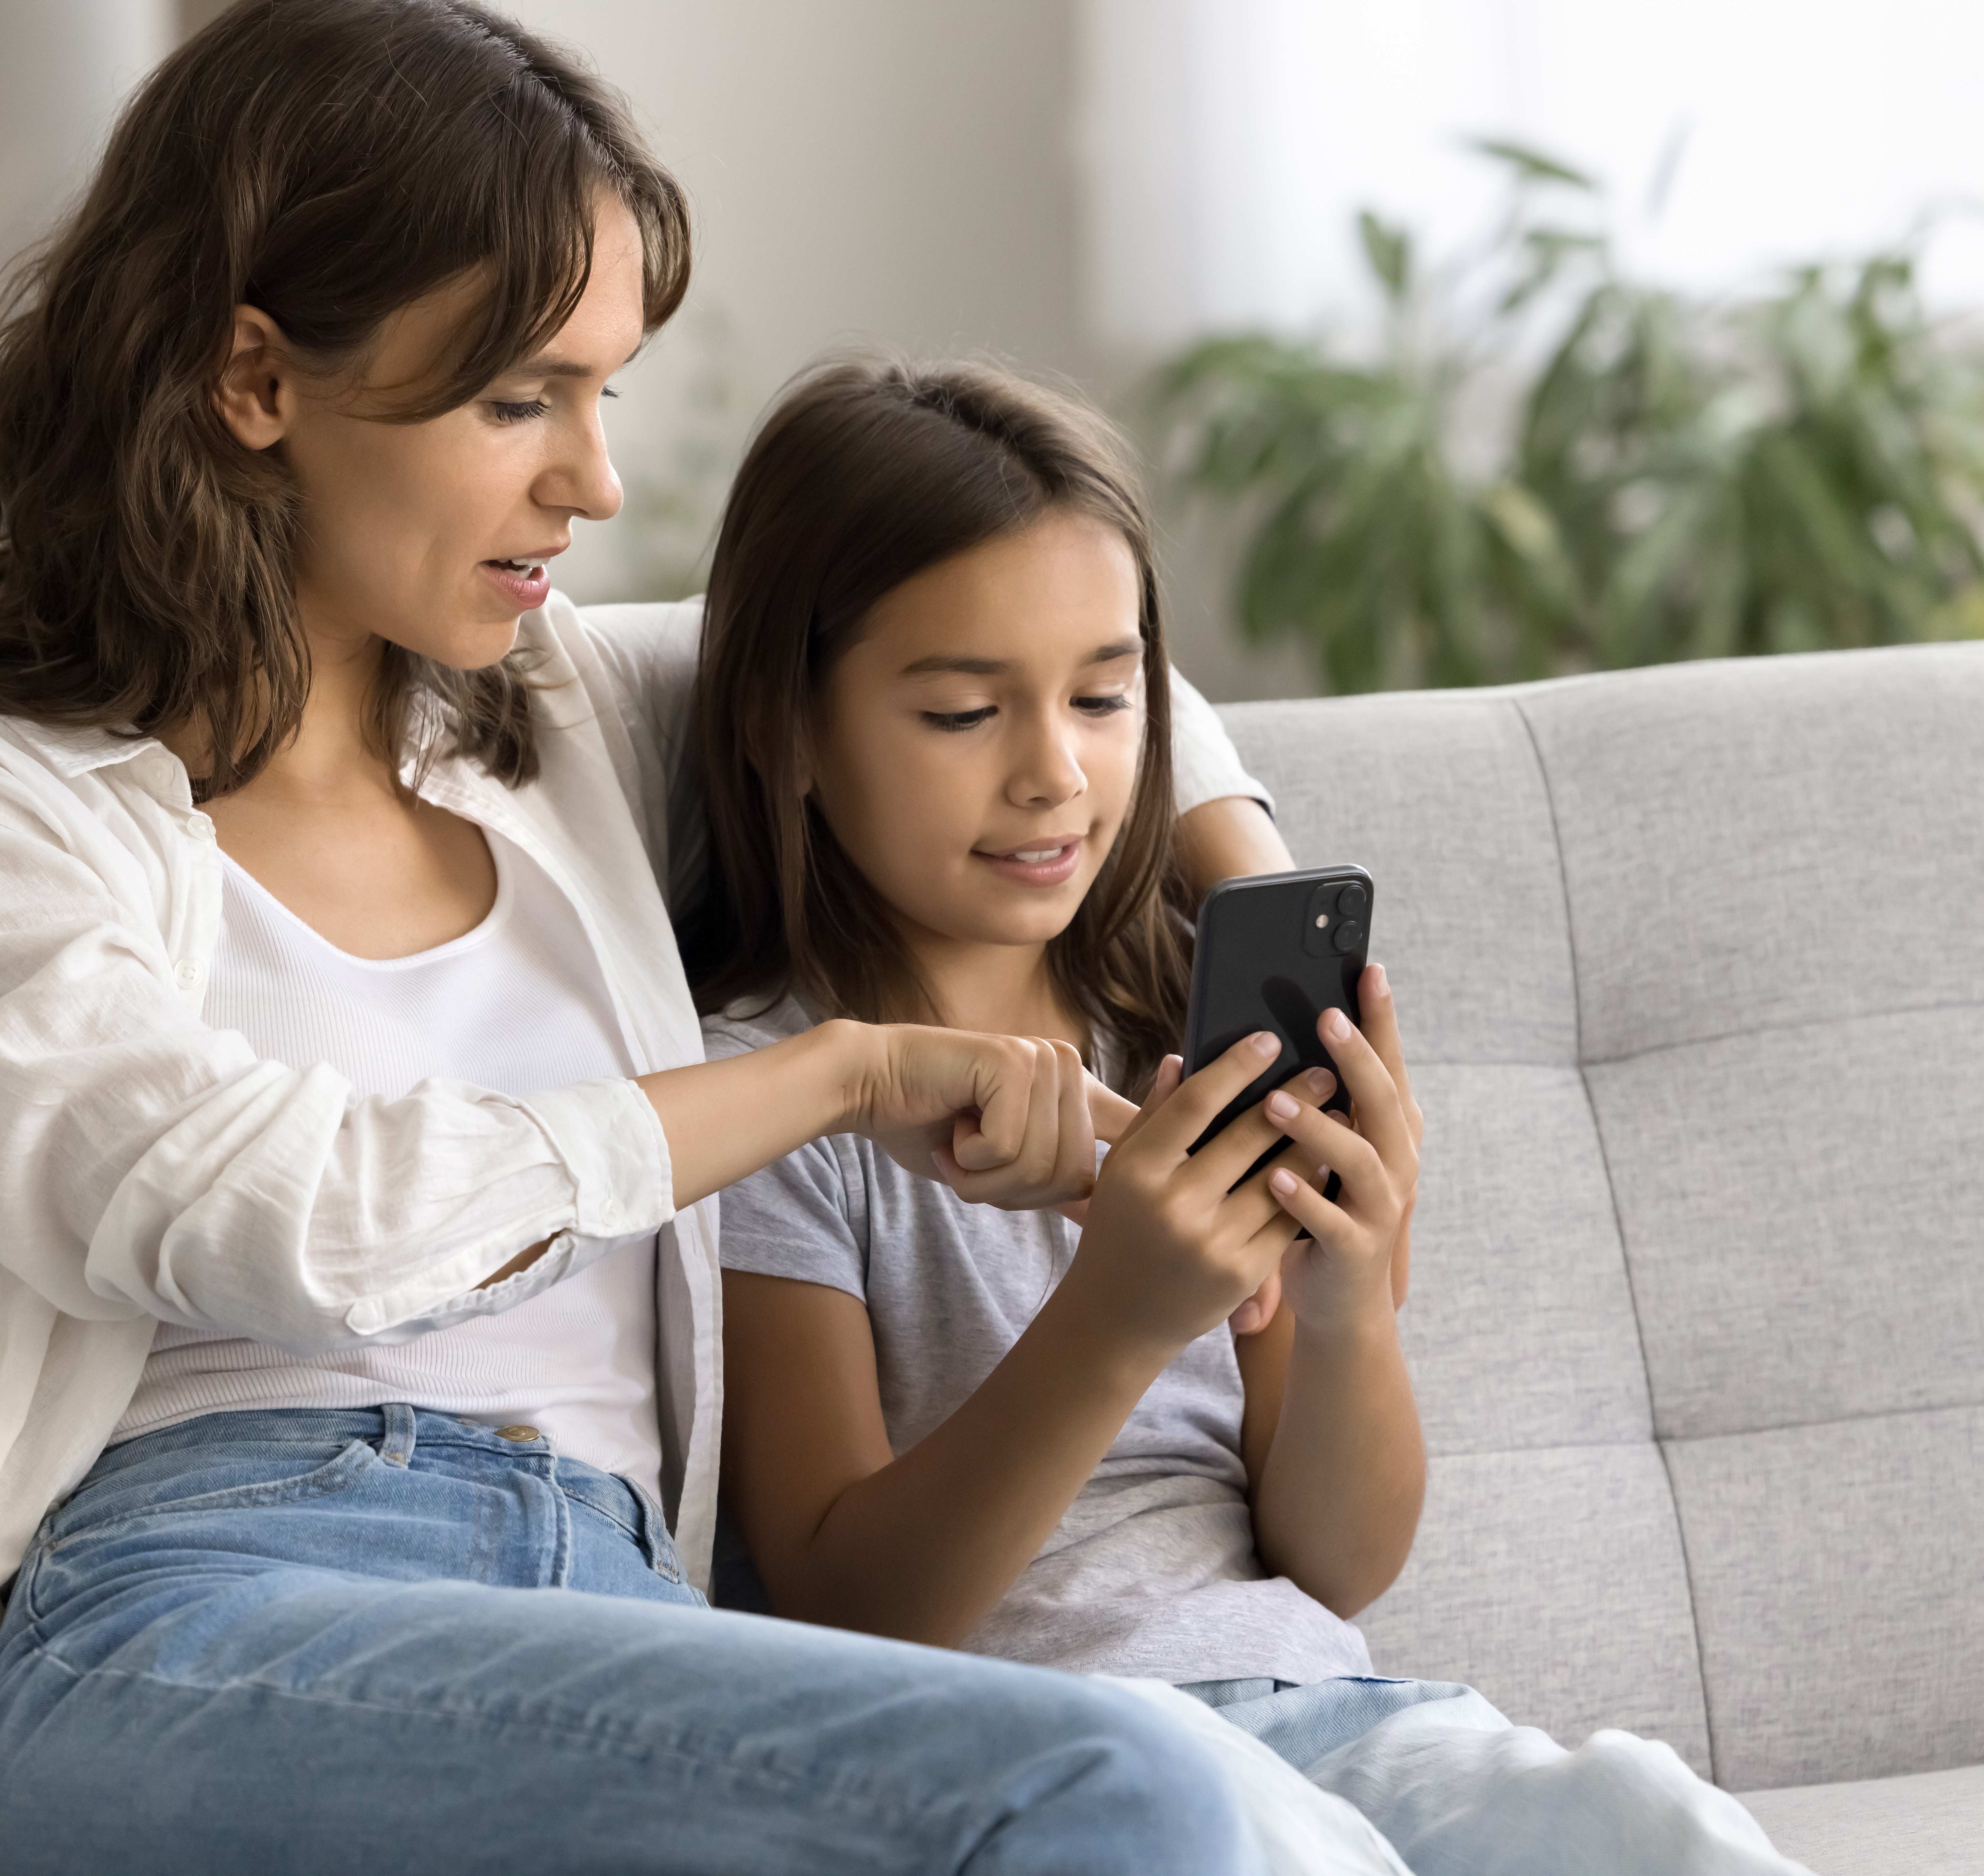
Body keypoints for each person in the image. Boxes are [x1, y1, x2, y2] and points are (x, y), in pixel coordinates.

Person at [0, 5, 1295, 1873]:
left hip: (609, 1609)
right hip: (203, 1612)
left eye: (606, 391)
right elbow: (294, 1221)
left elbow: (1014, 623)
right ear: (255, 379)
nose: (593, 479)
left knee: (1184, 1792)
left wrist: (1256, 922)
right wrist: (828, 1075)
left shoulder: (550, 712)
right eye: (519, 400)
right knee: (1111, 1785)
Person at [687, 356, 1809, 1876]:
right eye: (963, 711)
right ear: (789, 727)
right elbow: (844, 1612)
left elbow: (1338, 1563)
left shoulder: (1184, 1036)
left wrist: (1348, 1299)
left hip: (1329, 1705)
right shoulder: (770, 1093)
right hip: (1044, 1757)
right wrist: (1119, 1316)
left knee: (1642, 1821)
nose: (1053, 773)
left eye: (1099, 696)